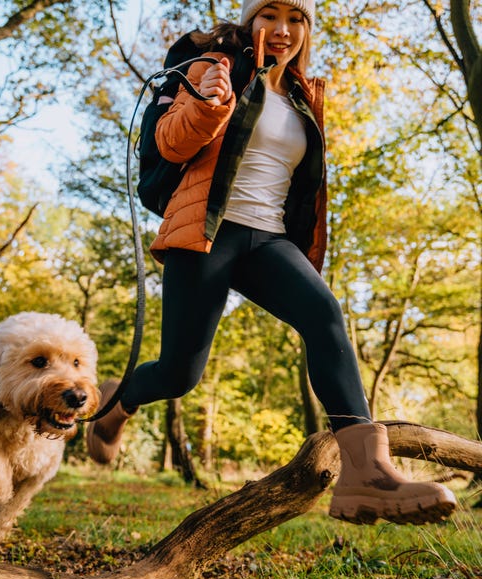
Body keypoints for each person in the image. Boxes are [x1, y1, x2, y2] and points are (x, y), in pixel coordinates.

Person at [87, 0, 456, 525]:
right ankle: (117, 404)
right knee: (179, 373)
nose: (283, 30)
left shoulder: (304, 96)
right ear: (249, 20)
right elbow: (169, 144)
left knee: (324, 314)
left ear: (307, 29)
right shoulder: (213, 66)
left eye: (296, 19)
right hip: (208, 231)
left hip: (271, 240)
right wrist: (209, 106)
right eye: (270, 15)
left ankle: (366, 475)